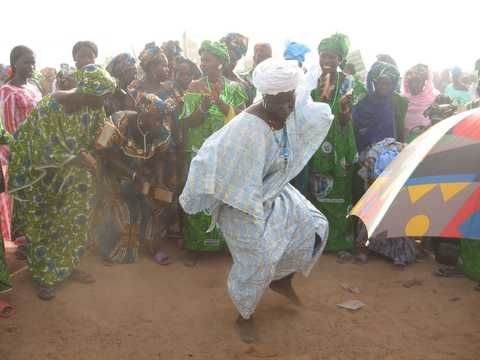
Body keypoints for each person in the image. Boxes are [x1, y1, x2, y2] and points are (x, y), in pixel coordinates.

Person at [180, 58, 332, 343]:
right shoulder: (247, 130)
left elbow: (306, 116)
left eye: (291, 101)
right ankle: (245, 314)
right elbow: (210, 160)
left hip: (271, 191)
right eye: (283, 103)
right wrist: (247, 202)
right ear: (267, 97)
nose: (289, 109)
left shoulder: (286, 108)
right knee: (258, 260)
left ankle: (281, 281)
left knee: (314, 227)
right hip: (240, 202)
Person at [8, 64, 116, 300]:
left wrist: (108, 136)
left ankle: (65, 267)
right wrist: (77, 157)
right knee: (45, 224)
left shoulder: (94, 109)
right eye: (104, 97)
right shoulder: (50, 108)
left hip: (74, 174)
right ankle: (44, 276)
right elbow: (37, 149)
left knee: (74, 221)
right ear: (88, 92)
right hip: (39, 176)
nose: (106, 102)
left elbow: (98, 137)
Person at [180, 40, 247, 265]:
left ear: (220, 62)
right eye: (202, 59)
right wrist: (204, 105)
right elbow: (187, 122)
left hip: (226, 153)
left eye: (207, 60)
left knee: (225, 197)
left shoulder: (236, 88)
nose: (203, 64)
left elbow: (243, 118)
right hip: (200, 152)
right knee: (198, 194)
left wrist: (220, 103)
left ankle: (224, 245)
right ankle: (195, 246)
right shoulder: (195, 86)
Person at [95, 93, 175, 265]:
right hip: (114, 173)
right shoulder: (117, 121)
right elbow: (105, 154)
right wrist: (132, 175)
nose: (160, 124)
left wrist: (159, 181)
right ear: (142, 116)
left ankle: (154, 247)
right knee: (118, 207)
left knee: (156, 205)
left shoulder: (161, 130)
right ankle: (110, 251)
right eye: (156, 120)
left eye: (161, 120)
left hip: (142, 174)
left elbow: (160, 156)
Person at [301, 33, 357, 252]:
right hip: (316, 143)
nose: (327, 60)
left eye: (332, 56)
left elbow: (346, 119)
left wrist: (343, 108)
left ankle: (340, 242)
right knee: (316, 193)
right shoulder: (311, 81)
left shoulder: (350, 84)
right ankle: (317, 242)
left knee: (340, 193)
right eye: (323, 56)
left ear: (340, 59)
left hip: (341, 144)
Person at [128, 43, 183, 248]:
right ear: (150, 66)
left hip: (170, 149)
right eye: (162, 65)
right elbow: (131, 119)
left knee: (169, 189)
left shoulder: (172, 87)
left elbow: (179, 117)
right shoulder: (135, 88)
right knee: (147, 191)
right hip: (145, 149)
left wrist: (178, 142)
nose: (167, 70)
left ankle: (167, 234)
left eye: (168, 66)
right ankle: (149, 240)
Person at [0, 46, 42, 252]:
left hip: (39, 152)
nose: (31, 66)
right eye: (27, 62)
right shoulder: (7, 92)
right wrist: (22, 155)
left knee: (34, 197)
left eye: (33, 62)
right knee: (18, 199)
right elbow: (9, 129)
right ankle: (19, 242)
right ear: (14, 63)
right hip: (19, 155)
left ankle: (30, 239)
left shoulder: (34, 88)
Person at [402, 64, 438, 141]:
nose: (414, 85)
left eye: (417, 82)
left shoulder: (432, 98)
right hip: (406, 138)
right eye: (411, 82)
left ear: (423, 83)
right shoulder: (403, 99)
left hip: (425, 137)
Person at [220, 33, 251, 103]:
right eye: (226, 59)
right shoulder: (205, 79)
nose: (231, 63)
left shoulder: (243, 86)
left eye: (234, 60)